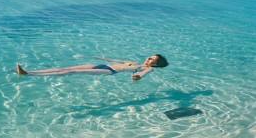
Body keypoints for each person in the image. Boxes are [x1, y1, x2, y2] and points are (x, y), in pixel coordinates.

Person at [16, 54, 168, 80]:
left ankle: (29, 75)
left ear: (155, 64)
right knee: (66, 68)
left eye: (152, 59)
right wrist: (101, 58)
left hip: (109, 70)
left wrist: (138, 76)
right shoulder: (134, 62)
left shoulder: (147, 68)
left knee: (72, 72)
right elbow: (116, 60)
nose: (148, 58)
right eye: (150, 56)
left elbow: (144, 73)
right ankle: (29, 72)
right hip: (105, 64)